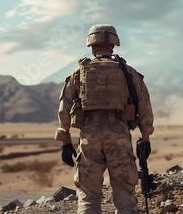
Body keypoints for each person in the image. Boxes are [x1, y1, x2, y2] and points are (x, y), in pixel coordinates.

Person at [55, 24, 155, 214]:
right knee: (125, 195)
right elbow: (145, 108)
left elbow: (64, 110)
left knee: (88, 196)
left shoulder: (78, 73)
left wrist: (65, 143)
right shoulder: (129, 73)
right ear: (114, 44)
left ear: (91, 45)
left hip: (89, 137)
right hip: (119, 136)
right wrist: (146, 139)